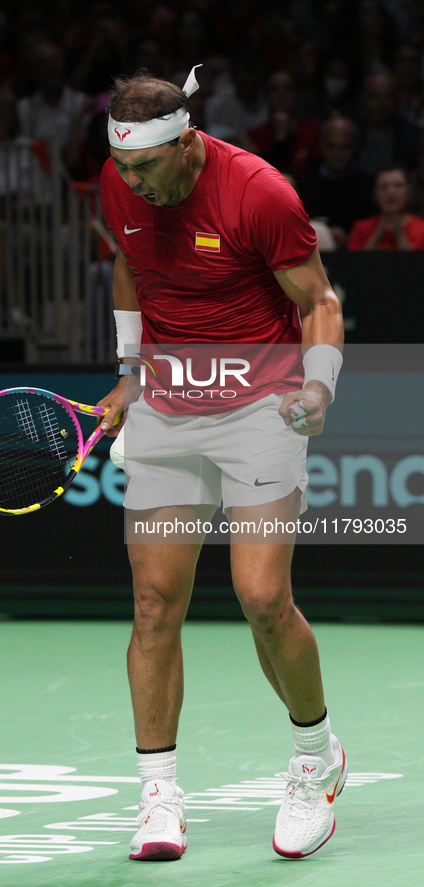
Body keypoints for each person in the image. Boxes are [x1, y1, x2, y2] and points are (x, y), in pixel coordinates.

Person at [97, 67, 346, 863]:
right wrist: (129, 373)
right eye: (122, 167)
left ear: (188, 144)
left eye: (143, 167)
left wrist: (318, 385)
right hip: (169, 408)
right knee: (152, 604)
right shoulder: (120, 181)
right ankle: (159, 794)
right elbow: (129, 267)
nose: (128, 182)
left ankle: (314, 757)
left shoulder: (257, 193)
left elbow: (318, 301)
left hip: (258, 405)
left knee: (262, 595)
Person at [298, 116, 377, 249]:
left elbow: (373, 223)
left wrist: (351, 237)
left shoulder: (369, 184)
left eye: (344, 147)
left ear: (355, 147)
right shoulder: (306, 184)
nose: (337, 153)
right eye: (331, 146)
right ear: (321, 146)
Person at [347, 165, 424, 250]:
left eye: (398, 185)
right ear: (374, 194)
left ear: (409, 191)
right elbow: (358, 262)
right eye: (383, 187)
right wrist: (379, 230)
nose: (391, 192)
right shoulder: (361, 227)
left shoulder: (422, 228)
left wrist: (398, 231)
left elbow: (414, 262)